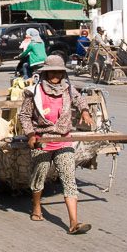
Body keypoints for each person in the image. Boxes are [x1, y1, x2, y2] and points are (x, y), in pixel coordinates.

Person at [18, 55, 95, 235]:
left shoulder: (68, 89)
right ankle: (36, 206)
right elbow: (24, 116)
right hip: (42, 140)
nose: (55, 75)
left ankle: (73, 222)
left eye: (58, 72)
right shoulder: (34, 92)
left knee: (69, 179)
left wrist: (85, 112)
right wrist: (30, 134)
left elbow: (80, 99)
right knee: (40, 175)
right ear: (45, 73)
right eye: (51, 72)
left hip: (63, 139)